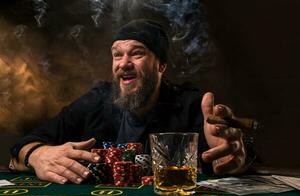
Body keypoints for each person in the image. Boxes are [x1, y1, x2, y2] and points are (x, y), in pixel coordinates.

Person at [9, 19, 255, 184]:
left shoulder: (192, 106)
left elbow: (229, 158)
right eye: (117, 55)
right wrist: (38, 155)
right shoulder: (96, 101)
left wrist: (237, 156)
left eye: (137, 53)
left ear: (161, 65)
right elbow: (23, 146)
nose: (123, 63)